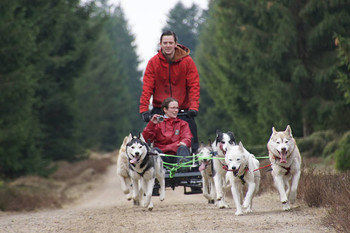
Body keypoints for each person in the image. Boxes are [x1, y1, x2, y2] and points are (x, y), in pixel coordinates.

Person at [139, 30, 200, 154]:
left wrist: (193, 107)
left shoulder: (187, 62)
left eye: (170, 43)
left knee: (192, 139)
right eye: (165, 43)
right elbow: (147, 87)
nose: (168, 46)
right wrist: (144, 109)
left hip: (182, 110)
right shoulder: (153, 63)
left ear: (176, 44)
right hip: (160, 109)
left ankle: (193, 166)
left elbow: (194, 85)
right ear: (160, 44)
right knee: (150, 138)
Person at [142, 97, 192, 164]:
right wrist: (151, 124)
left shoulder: (183, 124)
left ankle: (183, 167)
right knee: (155, 151)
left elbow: (187, 137)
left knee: (183, 148)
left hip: (177, 154)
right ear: (165, 109)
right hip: (162, 155)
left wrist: (184, 142)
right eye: (173, 108)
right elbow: (145, 139)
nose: (176, 110)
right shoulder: (157, 123)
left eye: (177, 108)